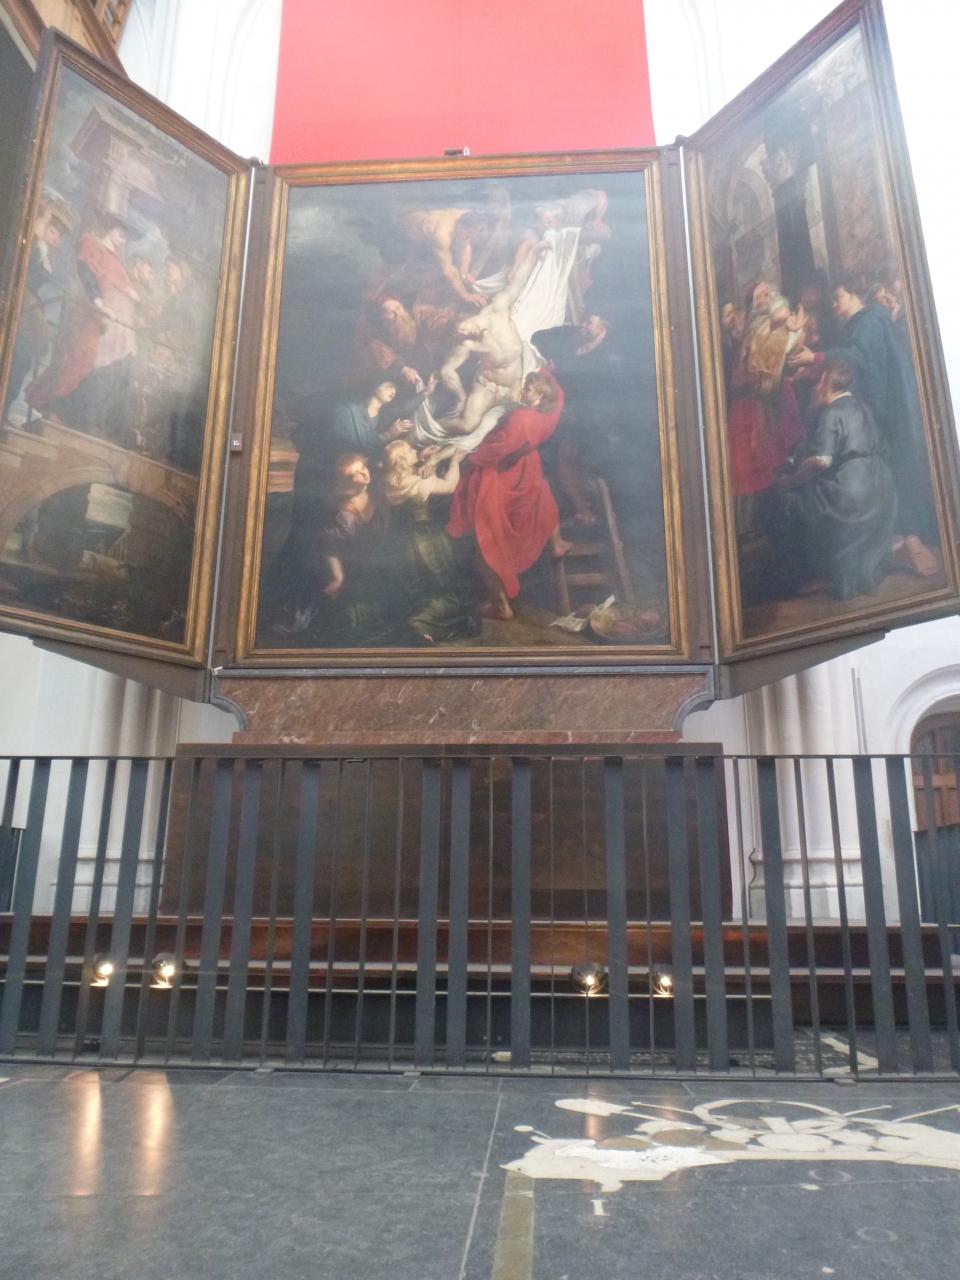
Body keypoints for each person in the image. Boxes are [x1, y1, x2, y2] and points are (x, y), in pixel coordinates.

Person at [787, 277, 938, 559]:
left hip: (890, 412)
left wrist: (815, 358)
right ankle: (899, 539)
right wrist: (815, 371)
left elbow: (858, 360)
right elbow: (850, 369)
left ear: (855, 295)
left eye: (839, 298)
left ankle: (911, 538)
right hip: (882, 410)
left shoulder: (869, 321)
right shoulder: (860, 324)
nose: (834, 305)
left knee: (897, 472)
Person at [447, 371, 571, 620]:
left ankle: (502, 606)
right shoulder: (546, 419)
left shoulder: (520, 418)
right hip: (526, 474)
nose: (523, 390)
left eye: (528, 389)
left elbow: (494, 449)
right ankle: (556, 543)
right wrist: (545, 370)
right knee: (544, 491)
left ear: (539, 396)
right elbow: (559, 398)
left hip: (501, 478)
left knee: (487, 542)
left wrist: (467, 454)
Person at [772, 359, 897, 600]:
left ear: (826, 382)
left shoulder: (832, 411)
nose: (813, 390)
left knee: (788, 503)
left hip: (852, 491)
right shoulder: (863, 407)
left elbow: (821, 461)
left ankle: (817, 574)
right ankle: (855, 573)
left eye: (816, 384)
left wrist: (790, 481)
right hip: (883, 488)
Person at [25, 215, 143, 434]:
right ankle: (56, 411)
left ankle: (77, 418)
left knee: (102, 369)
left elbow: (124, 288)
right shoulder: (92, 245)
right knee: (79, 360)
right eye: (121, 234)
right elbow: (86, 273)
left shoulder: (118, 263)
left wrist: (131, 294)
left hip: (111, 328)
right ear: (109, 228)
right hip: (89, 317)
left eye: (126, 237)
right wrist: (99, 303)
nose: (123, 239)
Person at [381, 439, 480, 643]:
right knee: (443, 583)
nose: (413, 450)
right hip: (426, 539)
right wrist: (455, 462)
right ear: (403, 461)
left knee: (418, 585)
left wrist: (425, 458)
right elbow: (450, 486)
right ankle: (421, 624)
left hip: (401, 541)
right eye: (409, 451)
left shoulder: (388, 484)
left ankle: (418, 622)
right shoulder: (419, 483)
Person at [726, 288, 804, 524]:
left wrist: (794, 329)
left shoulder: (780, 326)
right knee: (746, 465)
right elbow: (747, 370)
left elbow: (785, 355)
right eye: (760, 295)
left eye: (768, 293)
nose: (766, 297)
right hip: (748, 403)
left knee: (775, 459)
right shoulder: (755, 326)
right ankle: (747, 524)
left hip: (772, 401)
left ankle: (770, 518)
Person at [4, 195, 71, 420]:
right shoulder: (32, 245)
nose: (56, 238)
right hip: (23, 303)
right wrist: (41, 221)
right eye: (52, 231)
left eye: (59, 235)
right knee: (17, 357)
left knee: (22, 361)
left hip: (30, 308)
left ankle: (4, 410)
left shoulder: (44, 252)